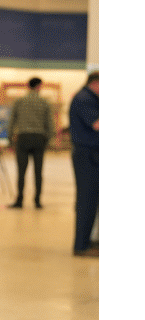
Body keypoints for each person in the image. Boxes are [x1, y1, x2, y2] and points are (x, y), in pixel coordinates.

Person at [7, 77, 54, 209]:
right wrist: (50, 139)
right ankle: (37, 200)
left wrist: (10, 139)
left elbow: (11, 122)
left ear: (28, 86)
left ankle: (19, 199)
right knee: (38, 172)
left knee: (21, 171)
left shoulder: (19, 101)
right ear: (39, 86)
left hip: (23, 138)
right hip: (39, 138)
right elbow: (50, 123)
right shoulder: (44, 102)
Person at [69, 71, 99, 257]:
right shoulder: (83, 99)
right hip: (86, 155)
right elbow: (97, 124)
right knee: (86, 200)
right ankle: (81, 246)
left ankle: (87, 242)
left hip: (92, 154)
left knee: (92, 199)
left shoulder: (90, 98)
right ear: (96, 83)